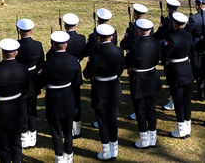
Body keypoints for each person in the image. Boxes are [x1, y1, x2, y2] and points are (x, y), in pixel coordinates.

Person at [0, 37, 28, 163]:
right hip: (17, 107)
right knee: (16, 141)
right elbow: (26, 89)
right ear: (16, 53)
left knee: (3, 144)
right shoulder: (23, 68)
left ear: (2, 54)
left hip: (1, 110)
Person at [83, 23, 123, 161]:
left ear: (99, 38)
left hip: (100, 89)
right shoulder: (119, 50)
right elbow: (120, 70)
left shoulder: (95, 54)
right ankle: (114, 149)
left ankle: (106, 150)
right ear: (111, 37)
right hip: (113, 87)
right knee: (113, 119)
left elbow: (87, 74)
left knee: (102, 120)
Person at [41, 31, 82, 163]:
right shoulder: (73, 61)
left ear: (53, 46)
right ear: (66, 45)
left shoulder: (48, 64)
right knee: (68, 130)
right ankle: (69, 155)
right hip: (68, 97)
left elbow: (41, 82)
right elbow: (77, 82)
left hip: (53, 98)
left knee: (56, 131)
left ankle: (59, 157)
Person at [125, 17, 161, 148]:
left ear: (139, 32)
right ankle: (153, 137)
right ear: (150, 30)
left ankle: (144, 138)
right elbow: (157, 59)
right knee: (151, 109)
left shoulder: (134, 46)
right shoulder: (157, 43)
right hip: (151, 77)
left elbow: (127, 63)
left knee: (140, 110)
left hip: (139, 79)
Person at [161, 11, 194, 138]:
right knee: (186, 100)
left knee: (178, 100)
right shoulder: (188, 35)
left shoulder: (171, 38)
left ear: (174, 24)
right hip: (186, 68)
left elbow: (165, 56)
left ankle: (181, 129)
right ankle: (187, 126)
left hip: (176, 71)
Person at [54, 13, 86, 138]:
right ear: (76, 25)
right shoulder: (82, 38)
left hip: (62, 70)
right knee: (76, 99)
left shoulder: (60, 39)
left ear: (64, 25)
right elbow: (84, 52)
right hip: (75, 68)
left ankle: (65, 127)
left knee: (64, 99)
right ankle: (76, 127)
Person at [16, 18, 44, 149]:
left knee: (21, 110)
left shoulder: (16, 45)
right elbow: (41, 62)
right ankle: (33, 135)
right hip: (33, 78)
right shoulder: (38, 45)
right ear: (31, 31)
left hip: (20, 79)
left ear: (19, 31)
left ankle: (23, 135)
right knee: (32, 109)